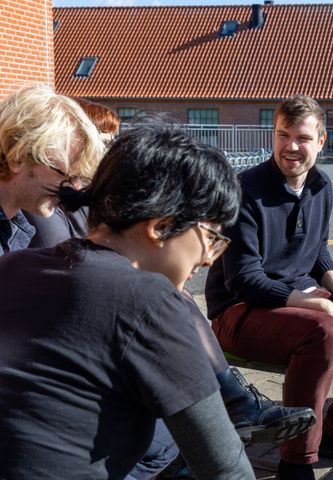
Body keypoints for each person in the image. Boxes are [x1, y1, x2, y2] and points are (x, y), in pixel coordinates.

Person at [0, 121, 255, 479]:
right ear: (161, 226)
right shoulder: (151, 300)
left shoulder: (13, 266)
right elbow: (225, 467)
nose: (210, 259)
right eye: (212, 236)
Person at [205, 95, 333, 480]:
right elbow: (244, 280)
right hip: (238, 311)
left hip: (299, 298)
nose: (290, 146)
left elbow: (316, 248)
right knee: (324, 330)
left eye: (302, 138)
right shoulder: (244, 191)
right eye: (282, 135)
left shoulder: (320, 185)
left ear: (321, 141)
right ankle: (297, 460)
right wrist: (319, 304)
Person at [0, 84, 104, 255]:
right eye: (67, 176)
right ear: (17, 157)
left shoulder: (15, 226)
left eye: (80, 178)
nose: (76, 188)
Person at [25, 96, 120, 248]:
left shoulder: (95, 189)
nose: (107, 152)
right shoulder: (46, 194)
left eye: (112, 142)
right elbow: (56, 252)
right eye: (103, 143)